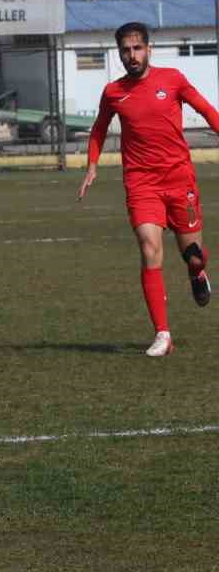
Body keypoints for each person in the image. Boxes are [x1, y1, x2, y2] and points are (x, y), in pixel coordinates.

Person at [78, 21, 219, 357]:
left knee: (194, 256)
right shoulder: (113, 92)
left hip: (179, 179)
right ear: (120, 53)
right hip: (141, 183)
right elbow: (99, 129)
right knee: (149, 247)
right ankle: (162, 334)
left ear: (148, 49)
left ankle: (198, 274)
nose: (132, 55)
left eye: (137, 48)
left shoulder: (172, 80)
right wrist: (92, 166)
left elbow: (206, 109)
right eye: (126, 50)